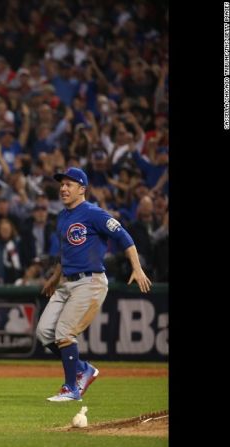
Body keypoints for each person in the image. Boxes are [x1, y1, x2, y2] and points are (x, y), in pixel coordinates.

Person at [38, 167, 150, 401]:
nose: (63, 188)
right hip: (66, 282)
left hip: (89, 281)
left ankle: (72, 389)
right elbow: (65, 252)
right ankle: (82, 369)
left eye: (69, 184)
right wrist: (54, 277)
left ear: (82, 189)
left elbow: (124, 238)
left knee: (64, 332)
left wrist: (137, 268)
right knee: (44, 332)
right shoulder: (62, 216)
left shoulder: (93, 213)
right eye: (62, 184)